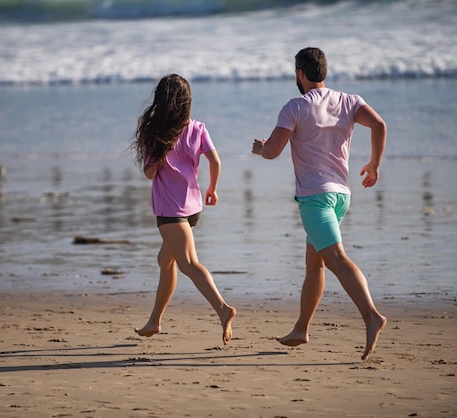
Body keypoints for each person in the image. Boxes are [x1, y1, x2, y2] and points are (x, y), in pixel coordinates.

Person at [251, 47, 387, 360]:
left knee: (336, 258)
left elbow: (272, 151)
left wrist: (259, 148)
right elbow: (379, 125)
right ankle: (301, 328)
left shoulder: (295, 106)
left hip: (315, 199)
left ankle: (371, 316)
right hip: (342, 196)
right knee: (314, 262)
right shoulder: (349, 100)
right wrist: (374, 165)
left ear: (300, 74)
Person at [131, 74, 236, 345]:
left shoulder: (158, 133)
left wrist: (161, 155)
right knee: (165, 261)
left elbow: (149, 173)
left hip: (170, 211)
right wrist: (212, 188)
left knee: (188, 263)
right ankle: (154, 321)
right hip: (192, 207)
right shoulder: (198, 127)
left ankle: (223, 309)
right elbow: (215, 160)